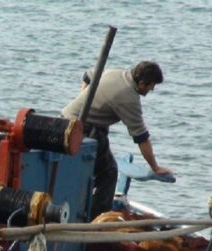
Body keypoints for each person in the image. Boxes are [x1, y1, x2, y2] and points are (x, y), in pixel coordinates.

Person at [61, 61, 172, 220]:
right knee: (109, 173)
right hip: (84, 130)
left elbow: (87, 75)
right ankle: (99, 219)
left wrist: (84, 98)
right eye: (151, 86)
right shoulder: (129, 99)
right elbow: (141, 138)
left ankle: (85, 207)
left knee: (90, 170)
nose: (152, 89)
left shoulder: (116, 73)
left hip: (65, 121)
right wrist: (155, 167)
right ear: (141, 83)